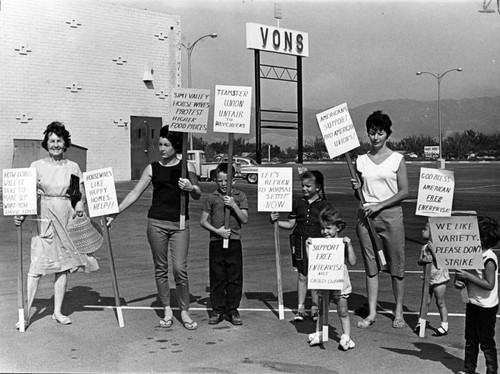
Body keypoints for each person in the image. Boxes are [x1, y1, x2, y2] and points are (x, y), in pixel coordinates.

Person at [106, 126, 201, 330]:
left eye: (166, 145)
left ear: (176, 146)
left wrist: (190, 187)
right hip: (156, 223)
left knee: (180, 269)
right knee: (160, 268)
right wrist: (116, 211)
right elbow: (134, 193)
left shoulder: (187, 167)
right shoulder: (152, 168)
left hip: (180, 225)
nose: (162, 148)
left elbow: (198, 193)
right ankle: (167, 308)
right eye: (160, 144)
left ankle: (184, 310)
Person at [14, 121, 98, 329]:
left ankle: (58, 312)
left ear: (65, 143)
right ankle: (25, 315)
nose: (55, 144)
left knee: (62, 267)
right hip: (43, 218)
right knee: (36, 268)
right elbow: (26, 195)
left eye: (59, 141)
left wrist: (80, 206)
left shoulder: (72, 167)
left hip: (65, 216)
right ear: (46, 143)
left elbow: (77, 195)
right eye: (51, 141)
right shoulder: (37, 166)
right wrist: (20, 215)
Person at [351, 110, 409, 329]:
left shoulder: (397, 159)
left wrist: (380, 205)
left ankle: (399, 312)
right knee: (371, 266)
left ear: (387, 134)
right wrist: (357, 189)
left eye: (380, 132)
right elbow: (360, 194)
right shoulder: (361, 160)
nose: (375, 137)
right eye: (372, 132)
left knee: (396, 266)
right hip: (365, 217)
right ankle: (372, 312)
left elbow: (404, 191)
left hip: (391, 216)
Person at [270, 170, 333, 321]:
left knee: (316, 275)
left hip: (318, 242)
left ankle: (315, 307)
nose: (304, 189)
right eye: (302, 186)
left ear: (317, 187)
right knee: (302, 274)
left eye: (308, 186)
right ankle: (300, 308)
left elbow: (332, 226)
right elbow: (291, 224)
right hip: (299, 240)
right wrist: (275, 222)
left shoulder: (325, 205)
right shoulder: (298, 203)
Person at [200, 163, 248, 325]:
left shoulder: (240, 196)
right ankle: (218, 310)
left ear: (233, 181)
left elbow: (245, 219)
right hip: (216, 242)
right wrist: (217, 231)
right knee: (217, 276)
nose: (222, 184)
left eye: (226, 180)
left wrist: (233, 205)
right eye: (219, 180)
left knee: (234, 277)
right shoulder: (212, 198)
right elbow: (203, 221)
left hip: (234, 242)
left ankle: (232, 309)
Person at [307, 206, 357, 351]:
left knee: (343, 310)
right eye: (323, 228)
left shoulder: (342, 242)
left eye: (328, 228)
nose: (325, 232)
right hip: (324, 280)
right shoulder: (319, 243)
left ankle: (346, 336)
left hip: (339, 280)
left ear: (338, 227)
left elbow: (353, 262)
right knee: (322, 310)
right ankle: (319, 332)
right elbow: (312, 261)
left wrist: (350, 244)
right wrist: (308, 246)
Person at [455, 216, 499, 374]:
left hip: (486, 306)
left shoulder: (489, 259)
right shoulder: (471, 254)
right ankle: (468, 369)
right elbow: (463, 277)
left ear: (482, 238)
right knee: (470, 340)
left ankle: (492, 371)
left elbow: (489, 284)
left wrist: (468, 277)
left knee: (486, 342)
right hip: (472, 302)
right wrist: (460, 281)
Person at [414, 220, 450, 336]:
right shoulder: (424, 247)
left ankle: (444, 324)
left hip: (439, 277)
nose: (422, 231)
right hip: (427, 277)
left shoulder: (440, 246)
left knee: (440, 302)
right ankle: (421, 322)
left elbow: (442, 261)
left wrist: (433, 251)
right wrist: (423, 260)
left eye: (425, 229)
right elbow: (420, 260)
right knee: (425, 301)